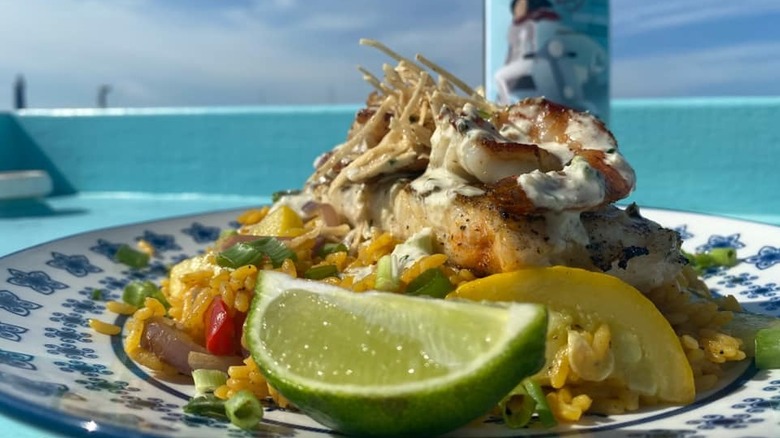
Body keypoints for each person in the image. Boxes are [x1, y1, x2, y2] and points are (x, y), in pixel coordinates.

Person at [494, 0, 560, 104]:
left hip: (534, 60)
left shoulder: (535, 21)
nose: (520, 8)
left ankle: (505, 104)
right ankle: (504, 104)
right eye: (518, 5)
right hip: (525, 62)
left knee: (499, 76)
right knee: (500, 77)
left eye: (523, 4)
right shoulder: (516, 26)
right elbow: (511, 52)